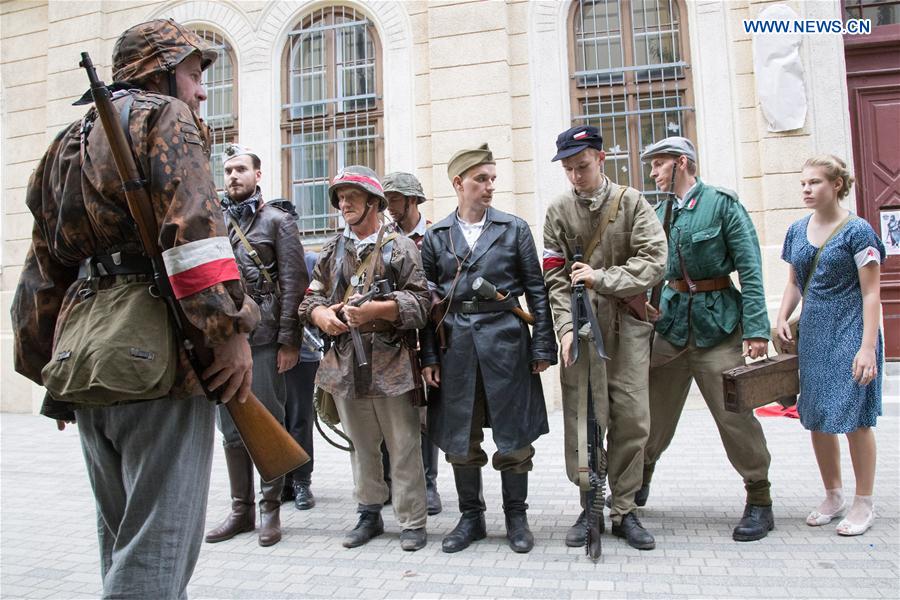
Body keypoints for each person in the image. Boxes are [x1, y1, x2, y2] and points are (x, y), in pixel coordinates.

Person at [10, 19, 257, 598]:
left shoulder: (62, 146)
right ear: (161, 73)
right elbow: (195, 236)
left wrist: (50, 372)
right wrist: (227, 331)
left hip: (87, 358)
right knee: (157, 549)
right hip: (161, 357)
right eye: (195, 75)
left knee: (125, 542)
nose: (201, 91)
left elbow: (41, 272)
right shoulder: (165, 117)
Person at [420, 144, 557, 554]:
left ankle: (517, 517)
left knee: (514, 440)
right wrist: (428, 357)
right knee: (461, 440)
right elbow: (428, 305)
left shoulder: (513, 229)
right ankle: (471, 518)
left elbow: (537, 289)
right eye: (481, 179)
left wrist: (542, 345)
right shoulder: (436, 235)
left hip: (507, 344)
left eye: (493, 178)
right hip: (456, 351)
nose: (489, 186)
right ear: (458, 183)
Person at [639, 136, 776, 542]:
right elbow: (652, 271)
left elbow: (749, 267)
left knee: (734, 417)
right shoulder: (660, 212)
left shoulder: (722, 204)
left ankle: (759, 498)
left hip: (718, 329)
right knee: (648, 414)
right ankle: (637, 481)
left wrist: (756, 329)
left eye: (659, 164)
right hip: (670, 328)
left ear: (683, 163)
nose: (653, 172)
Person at [542, 126, 667, 550]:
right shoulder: (558, 211)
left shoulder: (632, 203)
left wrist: (603, 278)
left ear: (600, 158)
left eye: (582, 166)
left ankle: (625, 509)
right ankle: (589, 503)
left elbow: (655, 260)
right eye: (568, 169)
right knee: (582, 418)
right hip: (579, 327)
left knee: (632, 416)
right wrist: (562, 329)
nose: (576, 175)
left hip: (626, 326)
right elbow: (554, 278)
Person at [298, 165, 431, 551]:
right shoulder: (332, 250)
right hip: (346, 365)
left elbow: (422, 303)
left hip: (392, 362)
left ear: (373, 201)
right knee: (361, 444)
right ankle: (369, 513)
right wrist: (322, 315)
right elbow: (310, 298)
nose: (344, 203)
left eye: (351, 196)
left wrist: (378, 310)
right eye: (340, 197)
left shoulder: (400, 246)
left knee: (404, 444)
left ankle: (412, 521)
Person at [776, 155, 884, 536]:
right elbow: (794, 283)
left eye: (815, 182)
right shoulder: (796, 230)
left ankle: (864, 501)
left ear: (836, 185)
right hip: (815, 332)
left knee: (854, 416)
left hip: (853, 330)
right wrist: (780, 317)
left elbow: (872, 294)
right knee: (818, 414)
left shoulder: (859, 232)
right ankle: (833, 494)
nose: (807, 189)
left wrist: (868, 347)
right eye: (803, 183)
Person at [205, 146, 308, 547]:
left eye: (241, 169)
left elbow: (294, 285)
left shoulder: (278, 221)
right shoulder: (212, 220)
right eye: (228, 170)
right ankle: (240, 510)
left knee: (267, 424)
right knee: (231, 429)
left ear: (258, 174)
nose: (233, 176)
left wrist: (289, 341)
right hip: (223, 339)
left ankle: (270, 510)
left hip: (265, 340)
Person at [381, 171, 442, 516]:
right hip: (393, 335)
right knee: (393, 412)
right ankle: (393, 482)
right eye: (386, 199)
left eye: (393, 200)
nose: (388, 207)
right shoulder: (383, 238)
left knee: (424, 415)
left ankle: (428, 483)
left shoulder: (433, 237)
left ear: (411, 200)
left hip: (427, 334)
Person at [281, 247, 322, 511]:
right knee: (276, 420)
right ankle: (280, 479)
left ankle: (301, 480)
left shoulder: (309, 261)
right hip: (267, 348)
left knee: (300, 418)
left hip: (304, 352)